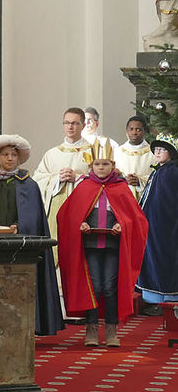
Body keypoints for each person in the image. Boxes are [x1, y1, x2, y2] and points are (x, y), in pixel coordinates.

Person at [56, 139, 148, 347]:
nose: (101, 168)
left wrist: (121, 225)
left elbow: (136, 219)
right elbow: (67, 216)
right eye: (97, 164)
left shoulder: (121, 188)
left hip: (113, 246)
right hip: (90, 245)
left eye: (105, 164)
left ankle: (111, 330)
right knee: (94, 286)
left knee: (109, 287)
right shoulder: (84, 187)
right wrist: (81, 225)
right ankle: (91, 329)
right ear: (91, 166)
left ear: (113, 166)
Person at [0, 134, 65, 336]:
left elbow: (33, 215)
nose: (10, 158)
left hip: (19, 244)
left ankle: (27, 324)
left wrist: (19, 225)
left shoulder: (28, 184)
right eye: (5, 155)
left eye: (13, 155)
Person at [32, 107, 93, 301]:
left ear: (83, 125)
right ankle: (58, 302)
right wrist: (56, 179)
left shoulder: (93, 152)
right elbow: (38, 180)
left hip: (84, 210)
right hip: (57, 209)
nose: (70, 127)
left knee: (80, 252)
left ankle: (80, 301)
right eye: (67, 123)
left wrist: (78, 177)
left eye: (75, 123)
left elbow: (103, 179)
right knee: (58, 249)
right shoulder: (52, 154)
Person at [136, 133, 178, 312]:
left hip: (166, 227)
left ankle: (167, 296)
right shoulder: (158, 171)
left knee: (164, 259)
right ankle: (156, 298)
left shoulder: (172, 171)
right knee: (154, 258)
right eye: (156, 149)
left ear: (171, 152)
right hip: (153, 226)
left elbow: (168, 201)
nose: (158, 152)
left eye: (163, 149)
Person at [113, 115, 154, 201]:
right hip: (123, 197)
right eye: (131, 129)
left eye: (138, 129)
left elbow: (156, 177)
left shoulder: (152, 153)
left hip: (146, 198)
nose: (134, 133)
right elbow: (112, 175)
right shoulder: (118, 151)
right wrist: (124, 179)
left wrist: (140, 181)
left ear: (144, 131)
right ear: (127, 131)